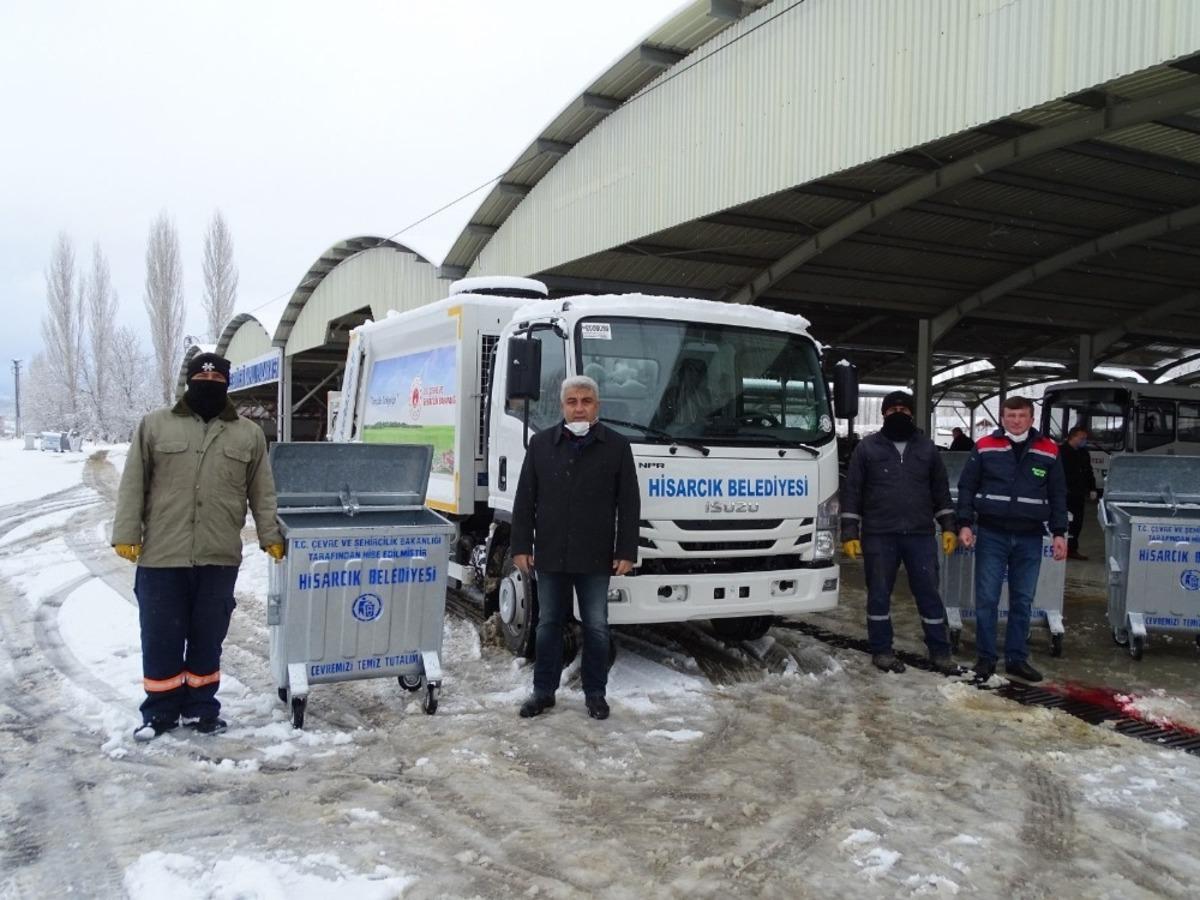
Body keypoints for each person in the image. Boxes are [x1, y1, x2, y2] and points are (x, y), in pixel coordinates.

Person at [112, 352, 284, 741]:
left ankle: (201, 708)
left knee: (208, 636)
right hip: (161, 555)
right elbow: (133, 482)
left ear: (227, 384)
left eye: (216, 380)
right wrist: (127, 532)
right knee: (161, 636)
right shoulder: (155, 425)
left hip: (218, 555)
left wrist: (270, 535)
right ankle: (159, 712)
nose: (208, 385)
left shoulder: (247, 434)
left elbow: (263, 492)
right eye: (201, 379)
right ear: (189, 382)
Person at [511, 375, 639, 721]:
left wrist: (626, 550)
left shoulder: (616, 446)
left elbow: (629, 503)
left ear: (596, 406)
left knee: (596, 625)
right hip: (551, 553)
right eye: (572, 401)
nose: (579, 407)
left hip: (596, 556)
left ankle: (595, 694)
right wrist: (521, 545)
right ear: (562, 406)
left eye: (586, 401)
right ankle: (543, 691)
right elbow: (525, 500)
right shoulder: (540, 445)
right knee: (548, 623)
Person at [841, 391, 958, 673]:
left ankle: (940, 652)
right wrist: (849, 532)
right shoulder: (867, 448)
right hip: (880, 535)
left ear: (912, 414)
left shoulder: (928, 448)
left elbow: (941, 491)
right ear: (883, 413)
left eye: (904, 409)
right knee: (879, 594)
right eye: (892, 408)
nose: (898, 412)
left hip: (919, 534)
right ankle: (882, 650)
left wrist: (949, 527)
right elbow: (852, 492)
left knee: (929, 593)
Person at [956, 396, 1067, 683]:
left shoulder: (1049, 450)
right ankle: (986, 658)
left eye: (1021, 415)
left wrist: (1059, 533)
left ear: (1032, 419)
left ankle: (1017, 659)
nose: (1016, 420)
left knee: (1022, 600)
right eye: (1010, 415)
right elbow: (967, 487)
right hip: (992, 534)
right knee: (987, 598)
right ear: (1002, 418)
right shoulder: (984, 447)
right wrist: (965, 524)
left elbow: (1058, 495)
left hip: (1030, 537)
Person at [1058, 426, 1096, 560]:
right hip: (1062, 493)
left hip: (1078, 493)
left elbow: (1088, 471)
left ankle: (1072, 549)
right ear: (1072, 437)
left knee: (1077, 522)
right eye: (1082, 438)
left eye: (1085, 439)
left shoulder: (1084, 453)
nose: (1084, 441)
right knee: (1061, 521)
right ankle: (1058, 547)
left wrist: (1092, 488)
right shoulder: (1060, 451)